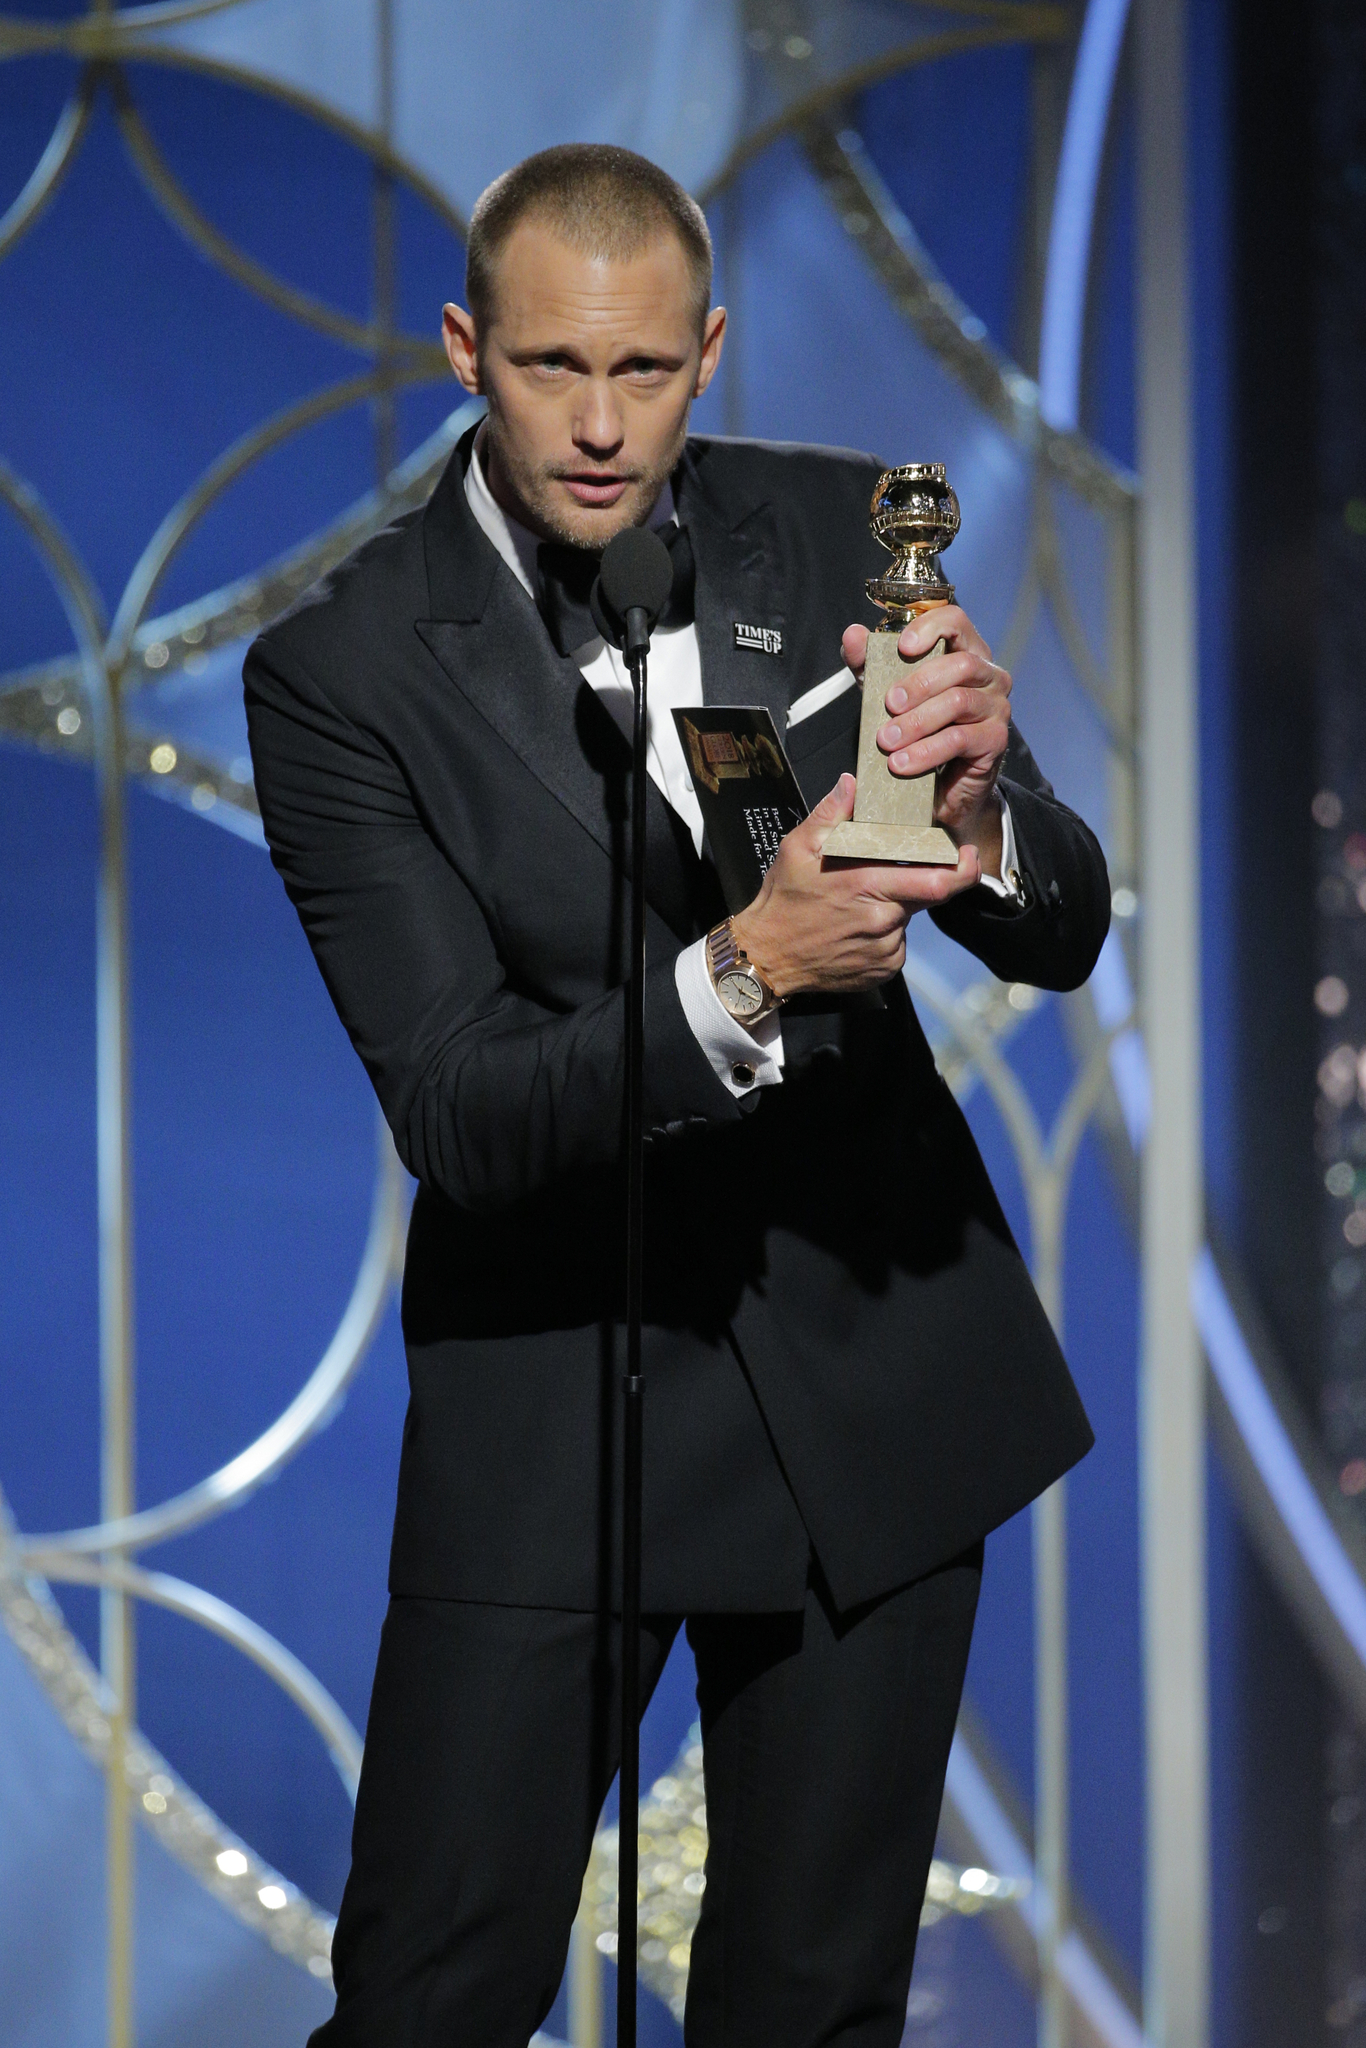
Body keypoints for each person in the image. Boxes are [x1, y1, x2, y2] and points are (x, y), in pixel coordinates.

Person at [244, 142, 1108, 2048]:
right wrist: (744, 975)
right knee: (427, 2005)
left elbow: (1058, 923)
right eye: (553, 368)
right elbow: (462, 1108)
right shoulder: (343, 672)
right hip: (559, 1396)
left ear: (707, 353)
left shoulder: (835, 538)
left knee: (809, 2017)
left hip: (870, 1373)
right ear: (465, 349)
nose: (599, 426)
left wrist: (980, 835)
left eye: (642, 374)